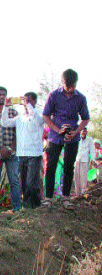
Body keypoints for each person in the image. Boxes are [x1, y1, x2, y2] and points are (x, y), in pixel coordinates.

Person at [42, 69, 90, 209]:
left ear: (76, 83)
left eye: (72, 86)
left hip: (72, 137)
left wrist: (75, 132)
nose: (70, 90)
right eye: (67, 86)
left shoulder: (81, 98)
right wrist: (57, 130)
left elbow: (85, 119)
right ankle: (48, 198)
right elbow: (45, 115)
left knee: (69, 167)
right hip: (55, 136)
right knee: (50, 166)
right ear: (62, 82)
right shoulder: (54, 95)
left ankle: (66, 197)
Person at [1, 92, 44, 209]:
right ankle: (27, 206)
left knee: (32, 183)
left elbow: (39, 121)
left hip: (34, 154)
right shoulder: (20, 118)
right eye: (25, 101)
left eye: (29, 100)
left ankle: (35, 205)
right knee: (24, 183)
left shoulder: (39, 114)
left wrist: (29, 106)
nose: (25, 103)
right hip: (22, 154)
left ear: (34, 101)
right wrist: (6, 106)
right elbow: (4, 122)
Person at [0, 87, 22, 216]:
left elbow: (19, 134)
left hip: (12, 153)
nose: (2, 97)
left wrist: (10, 149)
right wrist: (0, 149)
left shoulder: (14, 113)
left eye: (4, 95)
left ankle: (17, 209)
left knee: (14, 181)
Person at [74, 128, 94, 195]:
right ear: (80, 132)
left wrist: (93, 160)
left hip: (84, 160)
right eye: (82, 130)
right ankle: (77, 193)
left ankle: (83, 193)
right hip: (77, 160)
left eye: (85, 131)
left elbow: (92, 150)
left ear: (86, 132)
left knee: (83, 177)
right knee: (76, 177)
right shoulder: (77, 139)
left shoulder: (89, 140)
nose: (84, 132)